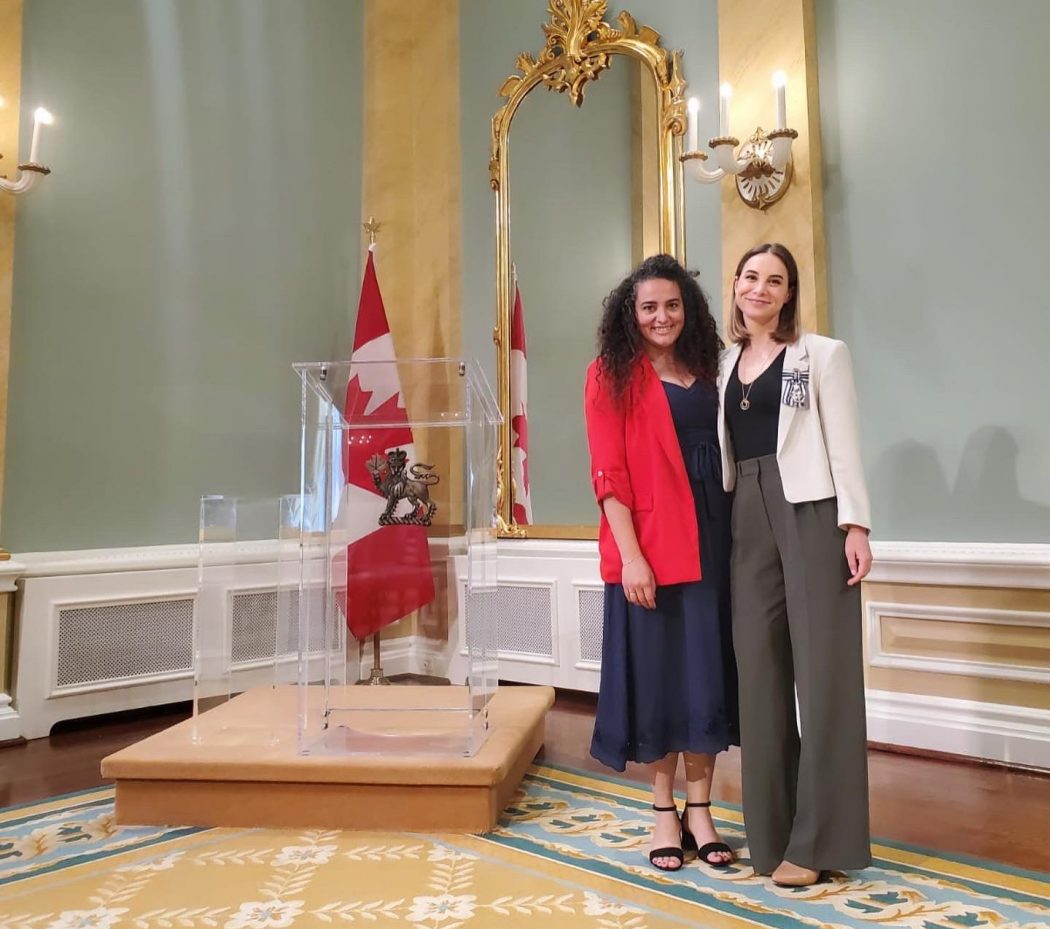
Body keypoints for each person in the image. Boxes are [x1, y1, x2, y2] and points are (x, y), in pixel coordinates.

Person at [717, 242, 873, 887]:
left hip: (812, 509)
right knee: (759, 676)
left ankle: (818, 842)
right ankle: (771, 836)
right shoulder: (725, 362)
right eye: (750, 276)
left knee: (824, 677)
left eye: (774, 280)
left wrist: (856, 523)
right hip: (745, 513)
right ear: (735, 285)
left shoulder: (822, 355)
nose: (759, 288)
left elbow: (844, 441)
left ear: (789, 294)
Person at [584, 254, 737, 872]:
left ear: (688, 309)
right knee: (660, 680)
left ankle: (702, 808)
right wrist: (632, 559)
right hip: (650, 549)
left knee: (708, 676)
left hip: (719, 544)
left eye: (672, 304)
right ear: (631, 312)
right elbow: (608, 478)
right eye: (649, 306)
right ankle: (663, 809)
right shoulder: (608, 376)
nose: (661, 316)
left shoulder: (712, 370)